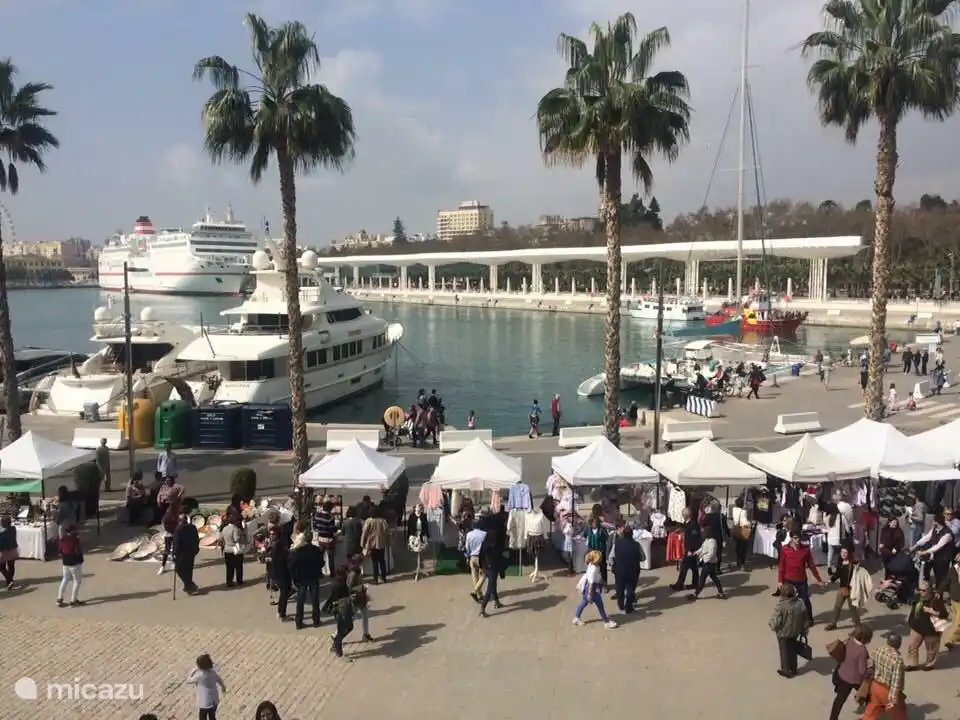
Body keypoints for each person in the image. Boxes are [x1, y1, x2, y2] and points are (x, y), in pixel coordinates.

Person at [777, 529, 824, 625]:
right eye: (795, 538)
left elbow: (811, 566)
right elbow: (781, 566)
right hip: (788, 580)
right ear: (791, 538)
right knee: (788, 601)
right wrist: (780, 581)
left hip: (801, 580)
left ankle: (809, 619)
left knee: (805, 600)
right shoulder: (785, 549)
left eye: (799, 538)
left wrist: (818, 579)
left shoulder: (805, 550)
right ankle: (787, 620)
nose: (798, 540)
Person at [829, 625, 874, 720]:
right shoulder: (862, 651)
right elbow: (862, 671)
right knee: (868, 695)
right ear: (865, 638)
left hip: (842, 674)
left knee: (839, 700)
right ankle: (869, 715)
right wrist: (870, 666)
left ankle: (833, 718)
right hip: (854, 679)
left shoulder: (850, 640)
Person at [768, 581, 810, 678]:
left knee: (784, 651)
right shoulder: (800, 603)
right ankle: (794, 668)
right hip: (795, 631)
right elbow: (805, 619)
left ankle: (786, 670)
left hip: (783, 633)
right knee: (792, 649)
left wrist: (772, 626)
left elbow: (776, 621)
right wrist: (804, 631)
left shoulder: (781, 606)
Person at [904, 580, 949, 670]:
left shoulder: (936, 600)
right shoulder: (918, 597)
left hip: (931, 629)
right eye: (919, 589)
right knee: (912, 646)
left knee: (931, 649)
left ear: (929, 590)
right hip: (916, 627)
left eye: (924, 590)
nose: (921, 592)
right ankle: (912, 664)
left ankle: (929, 664)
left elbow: (944, 614)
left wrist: (932, 611)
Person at [863, 633, 907, 720]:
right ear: (899, 645)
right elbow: (895, 682)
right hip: (886, 690)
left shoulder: (877, 650)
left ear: (887, 641)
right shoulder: (897, 660)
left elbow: (869, 666)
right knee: (899, 712)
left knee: (872, 709)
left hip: (875, 685)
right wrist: (893, 701)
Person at [572, 550, 617, 628]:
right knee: (600, 605)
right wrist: (589, 593)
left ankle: (576, 618)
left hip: (589, 587)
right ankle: (606, 622)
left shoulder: (592, 565)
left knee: (583, 603)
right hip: (592, 589)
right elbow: (591, 582)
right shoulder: (594, 568)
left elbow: (597, 577)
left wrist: (602, 582)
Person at [289, 530, 324, 629]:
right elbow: (321, 563)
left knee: (300, 600)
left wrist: (294, 577)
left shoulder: (299, 551)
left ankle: (299, 622)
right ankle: (316, 621)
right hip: (313, 576)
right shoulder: (316, 550)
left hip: (302, 578)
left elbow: (291, 565)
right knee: (315, 599)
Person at [910, 512, 955, 586]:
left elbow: (938, 546)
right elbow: (926, 538)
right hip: (934, 556)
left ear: (937, 522)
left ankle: (940, 592)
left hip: (943, 558)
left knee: (940, 576)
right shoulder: (935, 529)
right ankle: (928, 589)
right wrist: (915, 546)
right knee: (926, 571)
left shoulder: (947, 534)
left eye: (933, 521)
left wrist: (924, 552)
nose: (932, 522)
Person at [825, 544, 862, 631]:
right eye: (842, 552)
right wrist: (831, 580)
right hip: (842, 589)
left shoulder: (853, 564)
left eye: (845, 553)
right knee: (837, 607)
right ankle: (833, 624)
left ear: (849, 554)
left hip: (851, 590)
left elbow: (859, 575)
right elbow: (838, 573)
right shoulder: (840, 561)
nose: (843, 554)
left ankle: (858, 627)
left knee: (853, 610)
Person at [688, 524, 726, 601]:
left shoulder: (712, 542)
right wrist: (695, 553)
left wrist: (704, 559)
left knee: (702, 579)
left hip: (709, 563)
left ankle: (696, 594)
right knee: (714, 578)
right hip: (708, 563)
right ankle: (721, 593)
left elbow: (711, 554)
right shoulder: (707, 540)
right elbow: (702, 548)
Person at [266, 513, 293, 620]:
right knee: (284, 593)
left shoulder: (270, 544)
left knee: (284, 592)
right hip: (281, 572)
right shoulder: (279, 545)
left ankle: (281, 612)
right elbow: (285, 559)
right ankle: (281, 614)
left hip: (274, 572)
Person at [185, 653, 226, 720]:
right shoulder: (213, 672)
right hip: (214, 700)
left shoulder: (200, 676)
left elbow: (188, 680)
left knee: (202, 717)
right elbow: (219, 680)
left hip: (205, 703)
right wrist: (223, 687)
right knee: (212, 716)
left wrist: (194, 670)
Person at [612, 524, 642, 613]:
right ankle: (628, 607)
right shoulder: (636, 545)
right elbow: (643, 557)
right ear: (632, 534)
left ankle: (620, 605)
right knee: (630, 588)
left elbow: (611, 556)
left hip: (619, 569)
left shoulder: (617, 543)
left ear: (623, 534)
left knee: (619, 587)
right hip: (633, 570)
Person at [669, 508, 701, 592]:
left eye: (683, 515)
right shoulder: (688, 523)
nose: (682, 516)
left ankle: (679, 584)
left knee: (684, 567)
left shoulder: (693, 524)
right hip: (690, 549)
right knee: (694, 567)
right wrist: (681, 530)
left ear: (686, 516)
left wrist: (691, 550)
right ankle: (695, 583)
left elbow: (694, 538)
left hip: (691, 550)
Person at [936, 549, 960, 650]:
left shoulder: (953, 569)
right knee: (958, 622)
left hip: (955, 598)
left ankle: (952, 640)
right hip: (955, 599)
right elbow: (946, 581)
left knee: (957, 621)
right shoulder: (953, 570)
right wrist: (939, 591)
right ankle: (950, 640)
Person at [346, 554, 373, 642]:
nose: (362, 564)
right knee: (350, 619)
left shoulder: (357, 571)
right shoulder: (353, 574)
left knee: (365, 614)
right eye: (361, 563)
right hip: (354, 598)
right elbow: (348, 588)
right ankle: (336, 634)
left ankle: (366, 633)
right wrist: (361, 588)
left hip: (360, 597)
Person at [360, 506, 390, 584]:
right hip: (381, 543)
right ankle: (384, 577)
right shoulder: (383, 521)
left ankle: (375, 579)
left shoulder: (369, 521)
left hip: (372, 544)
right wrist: (388, 542)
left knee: (375, 562)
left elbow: (364, 533)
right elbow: (387, 532)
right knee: (382, 560)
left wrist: (362, 543)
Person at [56, 524, 84, 607]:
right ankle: (73, 600)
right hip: (74, 563)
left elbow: (60, 550)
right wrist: (81, 560)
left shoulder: (62, 539)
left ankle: (59, 599)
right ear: (72, 531)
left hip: (65, 563)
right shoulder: (75, 539)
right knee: (77, 581)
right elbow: (78, 551)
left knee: (65, 579)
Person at [173, 511, 200, 594]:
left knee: (178, 569)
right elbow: (197, 539)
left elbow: (176, 543)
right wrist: (196, 549)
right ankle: (188, 586)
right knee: (188, 569)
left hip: (182, 553)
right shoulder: (193, 527)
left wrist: (174, 553)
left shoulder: (178, 529)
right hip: (191, 552)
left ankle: (189, 584)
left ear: (179, 520)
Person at [479, 529, 503, 617]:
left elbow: (480, 556)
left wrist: (481, 567)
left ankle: (497, 602)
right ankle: (483, 608)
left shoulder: (484, 544)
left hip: (486, 568)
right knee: (490, 588)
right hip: (493, 569)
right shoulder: (495, 547)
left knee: (493, 585)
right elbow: (499, 559)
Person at [220, 510, 247, 587]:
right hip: (235, 548)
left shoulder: (224, 528)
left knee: (229, 567)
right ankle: (239, 580)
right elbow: (236, 539)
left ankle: (229, 581)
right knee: (238, 566)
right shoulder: (235, 529)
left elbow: (221, 539)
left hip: (227, 549)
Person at [312, 499, 337, 577]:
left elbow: (315, 527)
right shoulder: (330, 518)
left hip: (320, 539)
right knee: (330, 558)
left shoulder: (317, 515)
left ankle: (319, 573)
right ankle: (332, 573)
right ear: (330, 509)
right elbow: (332, 529)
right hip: (329, 540)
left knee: (320, 557)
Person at [582, 516, 609, 587]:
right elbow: (584, 535)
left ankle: (605, 584)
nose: (595, 524)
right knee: (592, 568)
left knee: (602, 568)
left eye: (596, 522)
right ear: (591, 523)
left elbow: (607, 538)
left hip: (601, 551)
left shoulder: (602, 529)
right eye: (593, 522)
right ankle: (592, 583)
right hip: (591, 551)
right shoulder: (588, 528)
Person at [464, 519, 486, 601]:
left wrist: (467, 556)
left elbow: (467, 547)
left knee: (474, 575)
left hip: (472, 557)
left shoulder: (469, 534)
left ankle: (479, 594)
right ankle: (475, 590)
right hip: (481, 557)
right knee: (484, 574)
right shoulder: (484, 534)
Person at [729, 497, 751, 570]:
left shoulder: (734, 510)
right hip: (743, 529)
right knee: (743, 548)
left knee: (738, 546)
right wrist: (750, 525)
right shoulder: (743, 511)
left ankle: (738, 561)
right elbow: (745, 522)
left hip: (735, 529)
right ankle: (742, 564)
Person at [0, 514, 19, 590]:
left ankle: (9, 580)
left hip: (3, 552)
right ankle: (10, 580)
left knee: (2, 567)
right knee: (11, 566)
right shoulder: (13, 529)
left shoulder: (1, 533)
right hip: (13, 550)